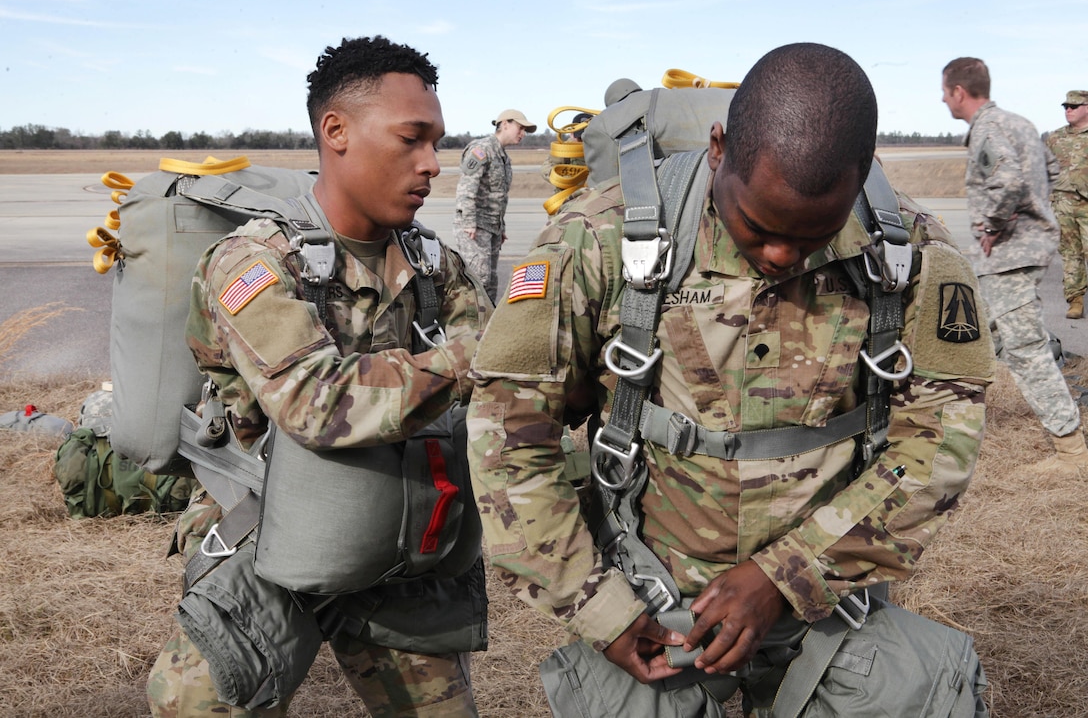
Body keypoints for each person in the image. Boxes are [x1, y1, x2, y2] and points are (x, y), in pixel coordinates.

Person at [469, 43, 992, 715]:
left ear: (865, 173)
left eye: (812, 237)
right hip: (651, 604)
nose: (779, 256)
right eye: (759, 226)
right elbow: (506, 443)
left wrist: (789, 574)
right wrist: (599, 607)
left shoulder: (911, 255)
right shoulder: (599, 240)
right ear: (719, 148)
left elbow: (938, 450)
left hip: (829, 603)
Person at [146, 36, 492, 717]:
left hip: (401, 537)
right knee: (193, 705)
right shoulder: (254, 263)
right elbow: (316, 402)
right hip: (272, 537)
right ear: (335, 131)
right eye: (411, 139)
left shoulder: (434, 265)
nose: (432, 165)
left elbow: (506, 375)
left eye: (438, 143)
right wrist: (464, 360)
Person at [942, 57, 1088, 476]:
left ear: (958, 92)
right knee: (981, 329)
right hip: (1029, 248)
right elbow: (1053, 169)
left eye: (944, 91)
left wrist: (993, 224)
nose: (943, 98)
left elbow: (1007, 182)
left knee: (1025, 350)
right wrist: (1039, 214)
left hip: (1011, 255)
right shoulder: (1020, 123)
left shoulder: (988, 128)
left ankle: (1070, 452)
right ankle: (955, 415)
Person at [453, 108, 537, 301]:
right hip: (475, 228)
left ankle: (487, 326)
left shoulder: (503, 157)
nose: (523, 134)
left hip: (492, 229)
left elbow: (498, 196)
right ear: (505, 124)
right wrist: (468, 223)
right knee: (478, 279)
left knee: (490, 282)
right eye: (521, 128)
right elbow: (466, 189)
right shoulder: (482, 150)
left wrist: (501, 228)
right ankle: (467, 326)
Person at [1045, 90, 1088, 318]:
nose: (1068, 110)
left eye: (1074, 106)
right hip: (1063, 204)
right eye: (1065, 107)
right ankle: (1075, 300)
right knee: (1071, 254)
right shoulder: (1055, 138)